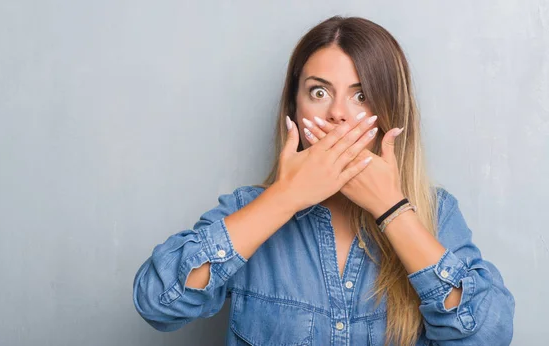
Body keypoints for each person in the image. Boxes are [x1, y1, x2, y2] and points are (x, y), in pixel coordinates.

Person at [133, 16, 515, 345]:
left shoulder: (437, 213)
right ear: (294, 110)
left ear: (390, 113)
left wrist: (392, 209)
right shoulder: (246, 208)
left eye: (361, 95)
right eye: (319, 92)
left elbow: (487, 334)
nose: (337, 115)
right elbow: (157, 304)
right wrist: (286, 197)